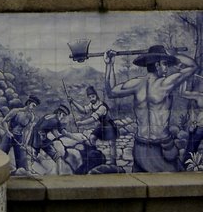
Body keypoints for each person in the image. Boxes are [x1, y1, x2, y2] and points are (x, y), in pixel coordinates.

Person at [105, 43, 198, 172]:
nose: (167, 68)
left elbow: (111, 91)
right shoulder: (166, 83)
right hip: (152, 147)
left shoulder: (136, 84)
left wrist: (109, 65)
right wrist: (175, 54)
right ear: (157, 64)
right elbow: (192, 66)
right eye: (165, 63)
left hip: (146, 145)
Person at [69, 86, 118, 165]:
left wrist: (81, 123)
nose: (91, 99)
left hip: (109, 126)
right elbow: (83, 110)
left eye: (93, 96)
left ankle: (113, 163)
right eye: (90, 97)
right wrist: (72, 102)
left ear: (96, 96)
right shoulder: (92, 105)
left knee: (112, 144)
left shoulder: (102, 107)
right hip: (101, 126)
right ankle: (95, 157)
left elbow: (93, 119)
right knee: (92, 138)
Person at [0, 95, 39, 172]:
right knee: (0, 156)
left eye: (35, 106)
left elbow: (28, 131)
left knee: (22, 166)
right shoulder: (16, 111)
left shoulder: (31, 116)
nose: (33, 108)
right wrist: (7, 132)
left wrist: (25, 144)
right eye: (33, 105)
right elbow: (4, 121)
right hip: (9, 136)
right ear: (28, 103)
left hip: (19, 137)